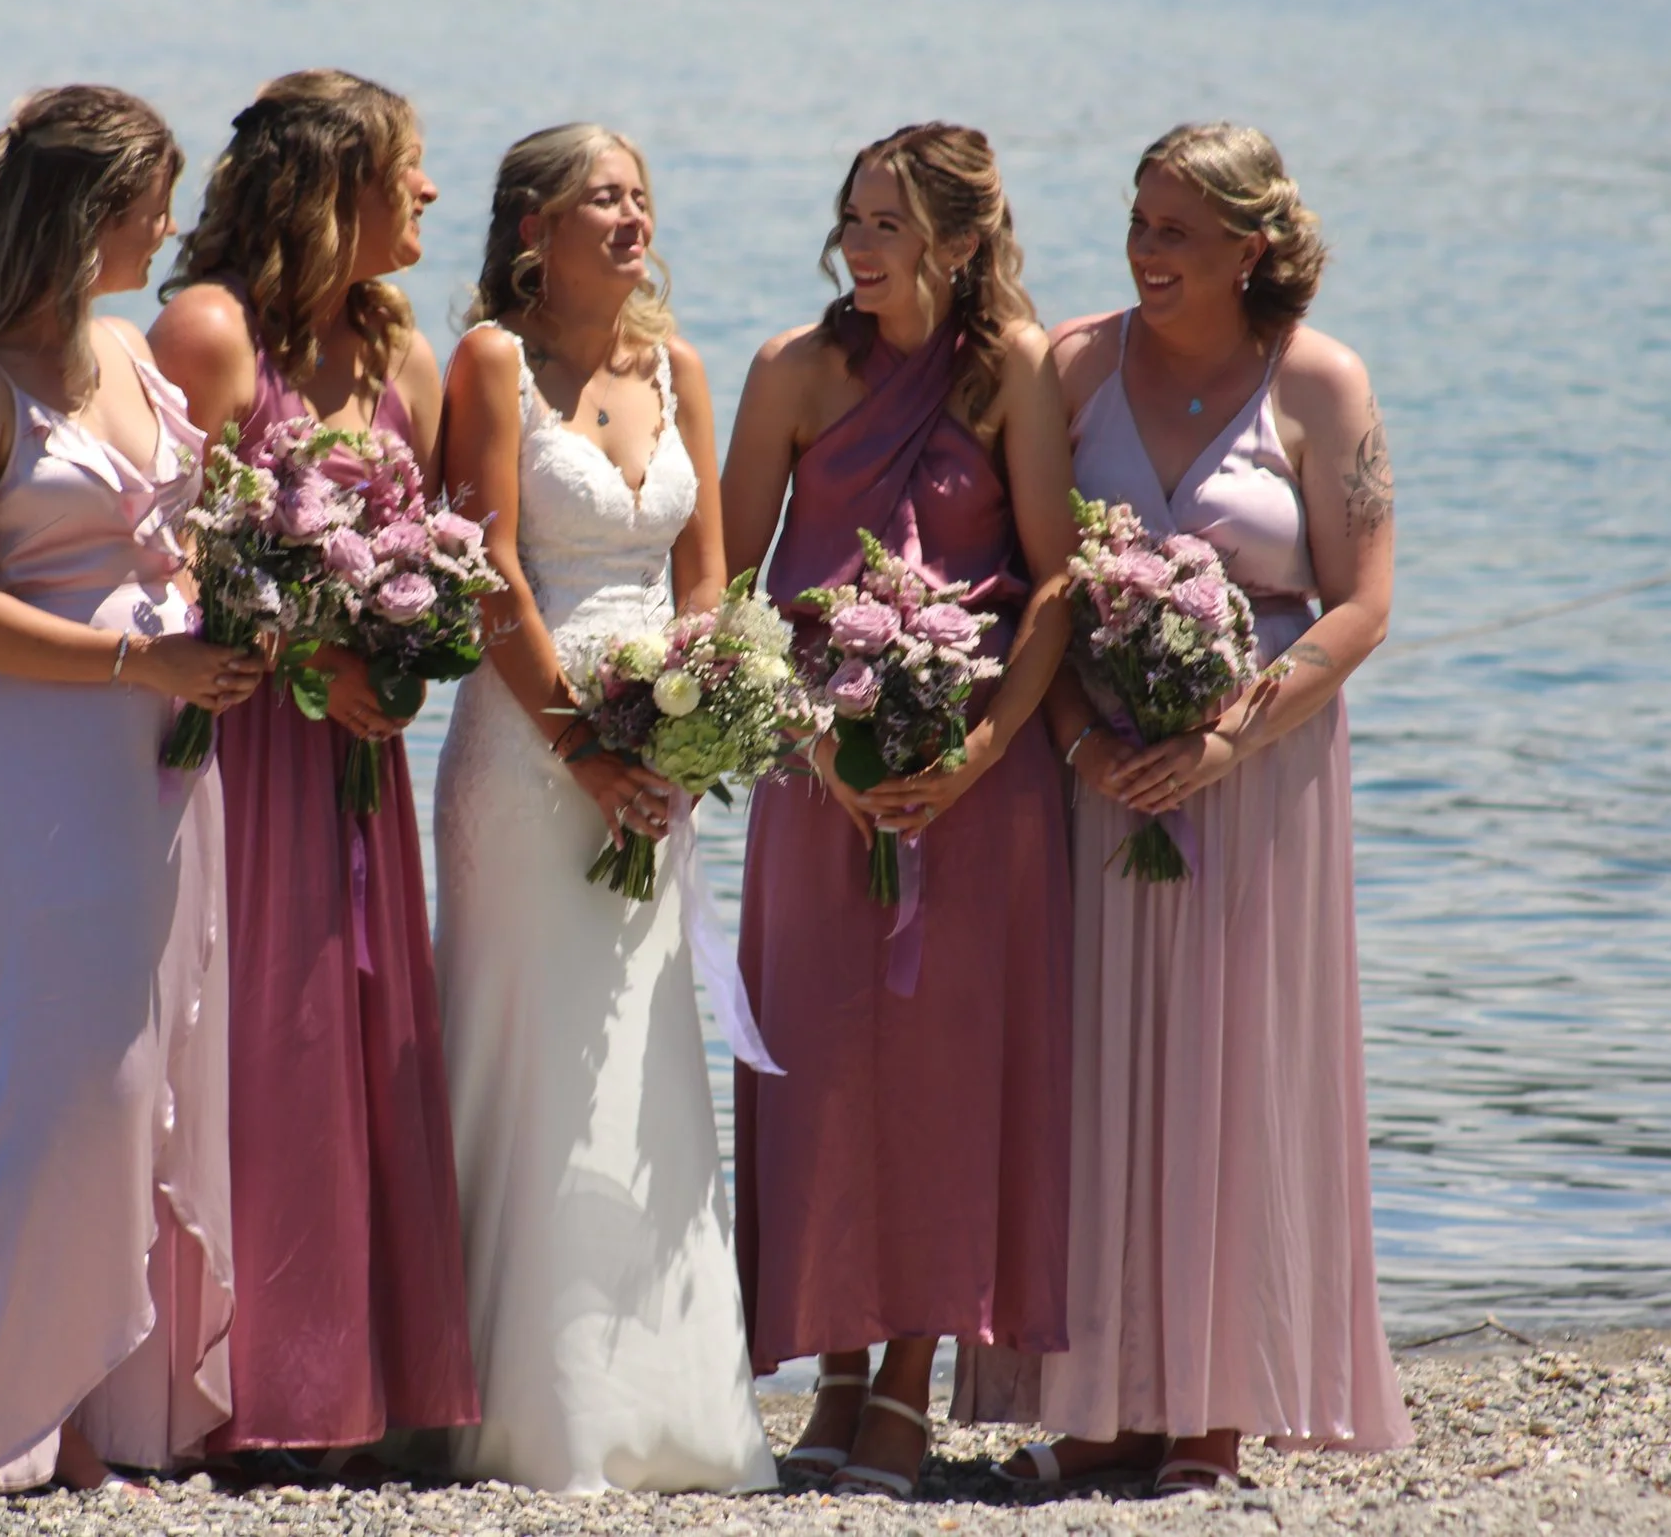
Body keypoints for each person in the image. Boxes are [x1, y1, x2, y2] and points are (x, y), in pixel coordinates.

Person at [964, 122, 1412, 1491]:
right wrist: (1078, 738)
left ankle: (1213, 1404)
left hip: (1257, 776)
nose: (1144, 252)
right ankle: (1094, 1402)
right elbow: (1030, 575)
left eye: (1174, 232)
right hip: (1095, 765)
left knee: (1234, 1066)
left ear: (1249, 247)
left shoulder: (1322, 384)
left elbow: (1366, 601)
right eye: (1138, 223)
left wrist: (1228, 736)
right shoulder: (1074, 366)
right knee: (1091, 1069)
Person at [0, 86, 268, 1504]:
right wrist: (130, 654)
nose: (171, 224)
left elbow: (188, 534)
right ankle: (14, 1415)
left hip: (163, 759)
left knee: (151, 1075)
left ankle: (99, 1404)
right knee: (60, 1085)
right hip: (50, 760)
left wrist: (247, 605)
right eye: (151, 199)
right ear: (88, 212)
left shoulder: (127, 356)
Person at [718, 123, 1075, 1498]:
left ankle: (913, 1378)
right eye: (851, 220)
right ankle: (831, 1366)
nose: (859, 249)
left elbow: (1050, 582)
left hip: (978, 794)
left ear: (961, 242)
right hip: (819, 784)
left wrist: (982, 748)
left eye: (888, 224)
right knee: (813, 1061)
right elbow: (729, 586)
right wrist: (803, 732)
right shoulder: (791, 372)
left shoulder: (1016, 374)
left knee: (941, 1078)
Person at [430, 122, 778, 1494]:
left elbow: (705, 575)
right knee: (529, 1047)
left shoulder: (675, 362)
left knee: (643, 1058)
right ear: (532, 227)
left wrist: (695, 719)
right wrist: (584, 746)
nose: (631, 218)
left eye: (639, 196)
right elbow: (487, 571)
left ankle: (670, 1403)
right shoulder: (490, 363)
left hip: (654, 759)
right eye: (601, 199)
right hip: (528, 760)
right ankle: (521, 1406)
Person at [148, 70, 478, 1464]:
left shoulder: (409, 353)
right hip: (241, 749)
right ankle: (235, 1395)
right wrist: (304, 657)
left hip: (360, 762)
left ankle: (350, 1391)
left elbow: (452, 554)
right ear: (333, 185)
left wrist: (404, 655)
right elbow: (161, 567)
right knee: (258, 1048)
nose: (430, 195)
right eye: (408, 168)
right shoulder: (207, 331)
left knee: (358, 1049)